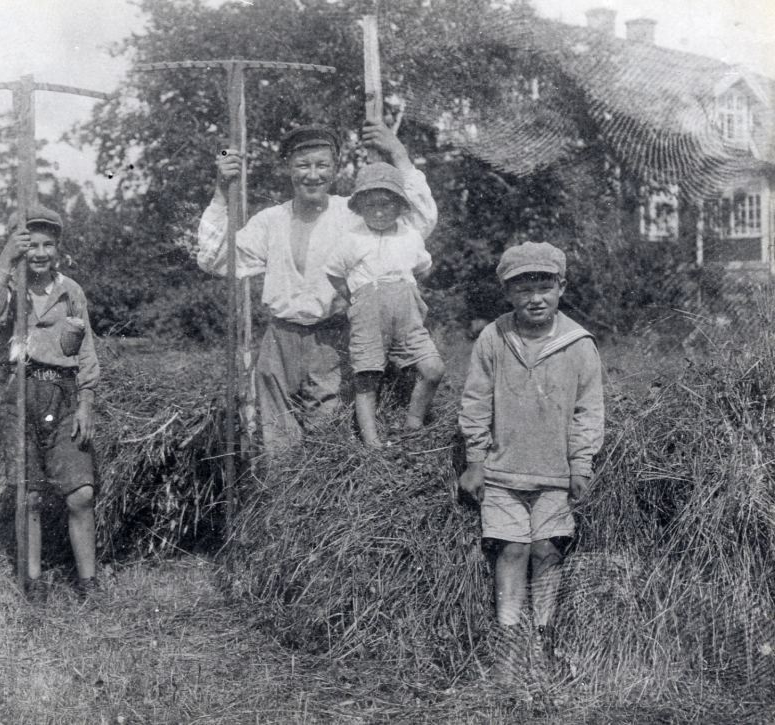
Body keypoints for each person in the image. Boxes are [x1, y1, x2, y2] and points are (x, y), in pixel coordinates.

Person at [197, 121, 436, 452]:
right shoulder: (270, 222)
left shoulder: (354, 214)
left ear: (335, 168)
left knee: (327, 438)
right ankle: (277, 500)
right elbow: (214, 258)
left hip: (331, 339)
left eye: (322, 165)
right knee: (276, 444)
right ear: (288, 169)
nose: (312, 175)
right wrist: (222, 188)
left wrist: (399, 154)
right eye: (302, 165)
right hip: (278, 343)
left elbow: (418, 223)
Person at [457, 242, 604, 685]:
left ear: (561, 287)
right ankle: (508, 646)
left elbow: (588, 410)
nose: (535, 298)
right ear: (507, 293)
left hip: (555, 474)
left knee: (547, 550)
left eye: (544, 287)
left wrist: (581, 465)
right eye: (523, 289)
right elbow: (476, 400)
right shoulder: (494, 338)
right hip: (502, 473)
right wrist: (475, 461)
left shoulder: (578, 345)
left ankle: (541, 640)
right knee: (512, 549)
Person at [0, 205, 100, 600]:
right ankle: (33, 582)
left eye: (48, 244)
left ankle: (88, 582)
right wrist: (5, 262)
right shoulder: (8, 289)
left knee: (81, 493)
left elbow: (87, 352)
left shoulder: (71, 291)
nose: (40, 253)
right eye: (31, 245)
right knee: (28, 494)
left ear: (58, 248)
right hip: (20, 395)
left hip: (62, 396)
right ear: (18, 246)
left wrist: (86, 402)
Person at [324, 162, 443, 448]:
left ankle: (413, 425)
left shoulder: (409, 235)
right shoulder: (352, 239)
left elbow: (423, 267)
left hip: (407, 316)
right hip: (368, 315)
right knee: (367, 377)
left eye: (387, 204)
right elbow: (333, 272)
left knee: (433, 369)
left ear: (401, 205)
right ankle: (372, 443)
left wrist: (403, 290)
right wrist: (357, 297)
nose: (378, 212)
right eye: (370, 205)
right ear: (359, 206)